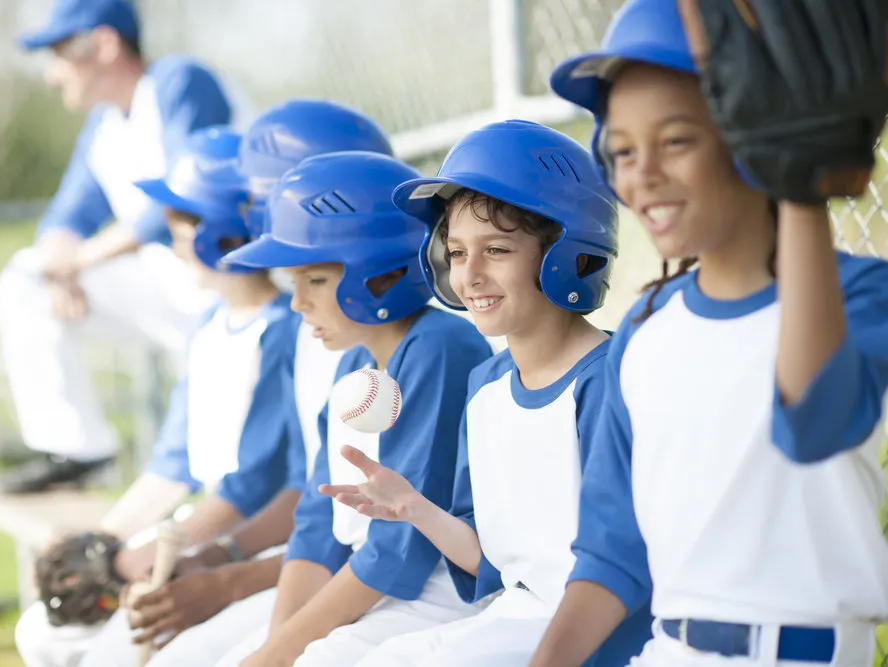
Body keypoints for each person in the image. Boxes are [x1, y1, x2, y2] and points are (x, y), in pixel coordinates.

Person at [527, 0, 888, 665]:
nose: (642, 174)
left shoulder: (863, 295)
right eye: (623, 150)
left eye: (676, 141)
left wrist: (799, 186)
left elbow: (813, 418)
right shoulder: (643, 328)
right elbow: (612, 551)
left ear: (752, 136)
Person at [313, 119, 652, 667]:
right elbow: (495, 564)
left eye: (496, 250)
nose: (469, 275)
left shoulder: (611, 380)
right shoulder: (487, 387)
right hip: (513, 621)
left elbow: (625, 571)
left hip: (595, 641)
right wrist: (414, 507)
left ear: (567, 253)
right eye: (456, 251)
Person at [75, 100, 401, 667]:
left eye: (263, 197)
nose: (253, 213)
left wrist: (225, 577)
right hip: (307, 557)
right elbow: (311, 495)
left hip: (367, 580)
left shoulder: (392, 347)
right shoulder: (309, 328)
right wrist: (212, 560)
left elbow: (384, 538)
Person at [15, 126, 299, 667]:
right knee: (43, 633)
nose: (170, 241)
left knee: (116, 652)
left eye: (181, 225)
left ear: (223, 232)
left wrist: (135, 559)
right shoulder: (210, 327)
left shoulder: (285, 331)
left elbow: (253, 483)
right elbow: (173, 465)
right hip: (197, 529)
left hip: (248, 542)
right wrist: (99, 545)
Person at [212, 150, 496, 667]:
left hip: (442, 590)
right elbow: (319, 524)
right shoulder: (356, 365)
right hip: (374, 584)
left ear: (383, 272)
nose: (297, 303)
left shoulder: (440, 348)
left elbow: (402, 549)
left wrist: (278, 655)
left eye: (315, 280)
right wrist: (274, 646)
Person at [0, 0, 255, 493]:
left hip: (247, 292)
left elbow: (187, 195)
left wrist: (81, 261)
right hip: (176, 288)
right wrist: (60, 266)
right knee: (25, 278)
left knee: (232, 463)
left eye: (59, 53)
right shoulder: (104, 126)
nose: (52, 75)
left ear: (105, 43)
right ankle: (77, 449)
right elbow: (66, 216)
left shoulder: (180, 81)